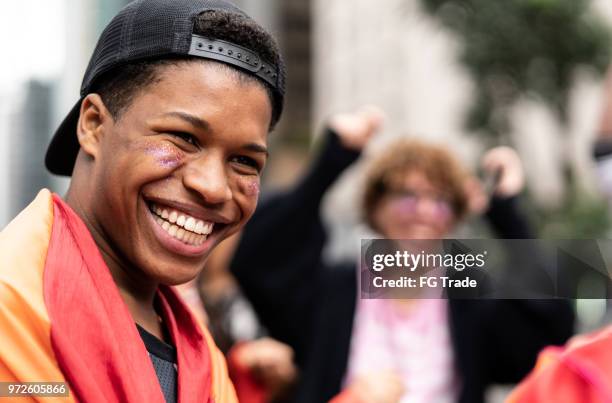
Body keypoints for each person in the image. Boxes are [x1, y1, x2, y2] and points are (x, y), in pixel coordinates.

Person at [0, 1, 285, 402]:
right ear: (94, 125)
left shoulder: (201, 354)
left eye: (244, 161)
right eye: (183, 138)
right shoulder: (13, 304)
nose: (214, 187)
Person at [229, 107, 575, 403]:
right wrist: (329, 165)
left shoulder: (469, 294)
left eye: (440, 200)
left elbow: (550, 329)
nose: (423, 211)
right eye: (407, 196)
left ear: (453, 217)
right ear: (375, 208)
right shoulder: (332, 290)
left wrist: (508, 216)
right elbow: (258, 262)